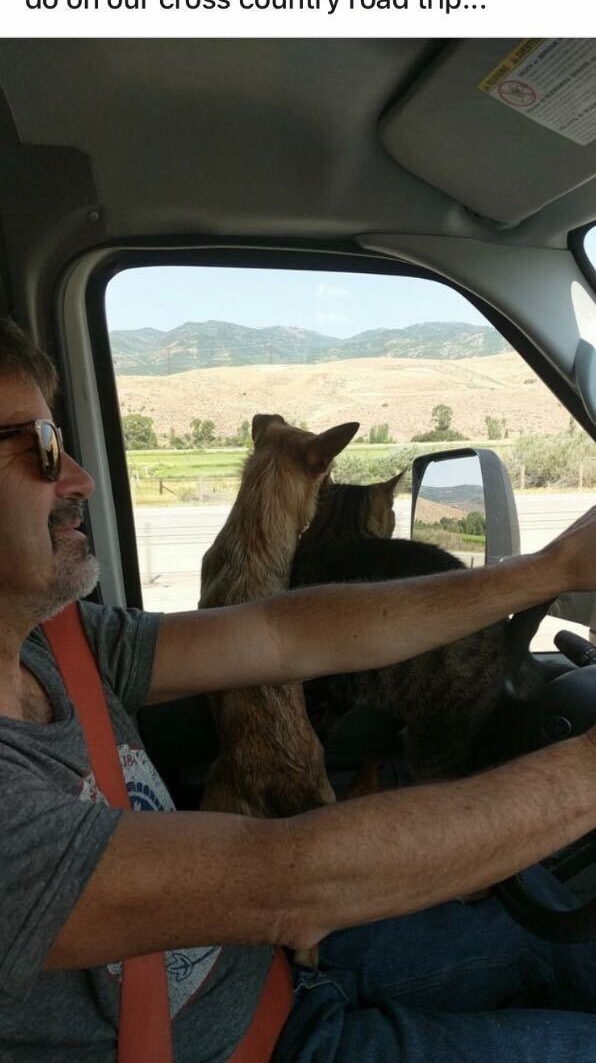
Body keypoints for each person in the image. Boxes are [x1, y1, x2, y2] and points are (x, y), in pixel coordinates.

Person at [1, 315, 596, 1063]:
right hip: (276, 1040)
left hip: (286, 963)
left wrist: (553, 567)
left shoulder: (59, 642)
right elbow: (290, 879)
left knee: (557, 937)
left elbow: (286, 636)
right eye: (41, 449)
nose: (80, 477)